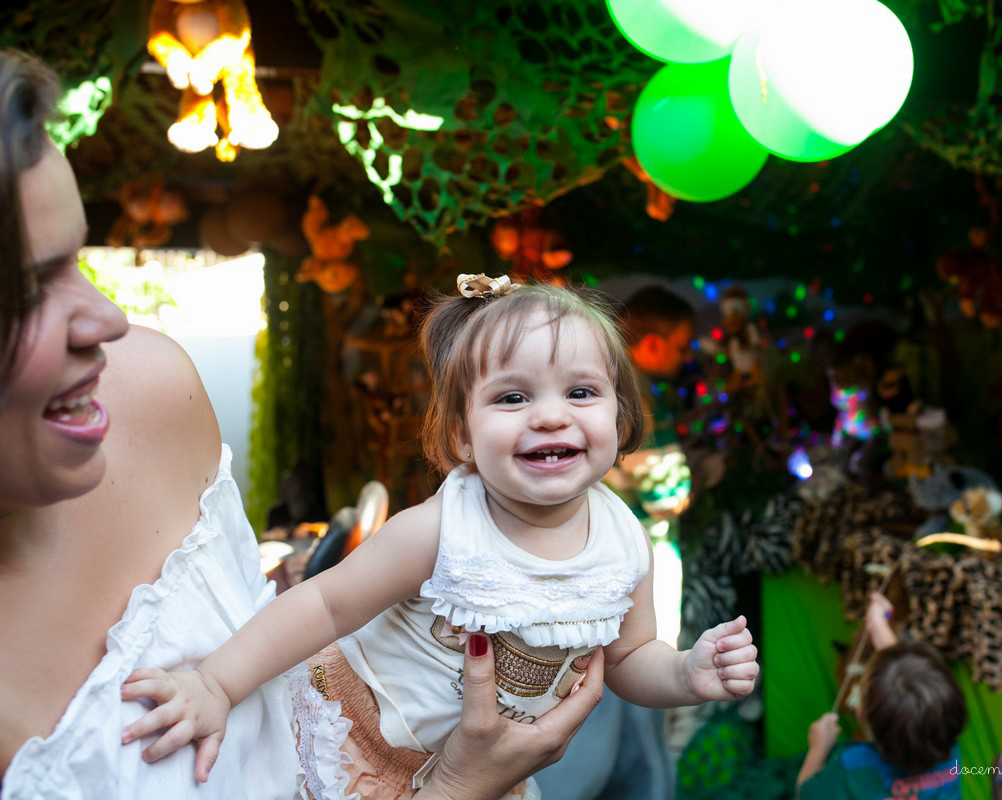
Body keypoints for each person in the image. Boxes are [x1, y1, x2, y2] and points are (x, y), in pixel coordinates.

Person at [0, 49, 602, 800]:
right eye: (28, 291)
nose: (108, 316)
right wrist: (454, 788)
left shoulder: (149, 395)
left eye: (77, 261)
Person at [122, 275, 761, 798]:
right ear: (461, 436)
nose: (550, 414)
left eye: (581, 391)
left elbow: (626, 659)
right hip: (355, 733)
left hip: (480, 773)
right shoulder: (444, 528)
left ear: (619, 419)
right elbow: (324, 603)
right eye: (512, 397)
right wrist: (217, 684)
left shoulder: (625, 542)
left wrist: (684, 672)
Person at [533, 284, 700, 800]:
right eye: (680, 345)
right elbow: (667, 492)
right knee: (633, 691)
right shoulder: (640, 395)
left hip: (574, 564)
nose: (684, 357)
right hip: (633, 562)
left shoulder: (589, 381)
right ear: (650, 346)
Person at [795, 593, 965, 800]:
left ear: (860, 713)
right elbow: (906, 681)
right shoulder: (946, 740)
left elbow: (805, 794)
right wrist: (878, 625)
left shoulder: (850, 767)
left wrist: (818, 748)